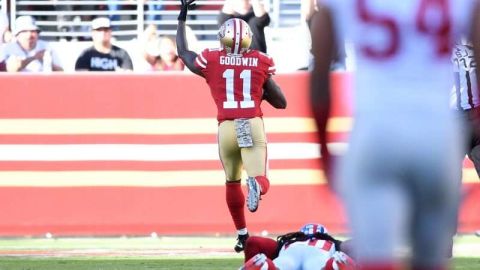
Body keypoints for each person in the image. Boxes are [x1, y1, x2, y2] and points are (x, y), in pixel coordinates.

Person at [310, 1, 479, 270]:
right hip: (436, 133)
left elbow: (319, 76)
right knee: (431, 258)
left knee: (376, 255)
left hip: (375, 132)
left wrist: (323, 151)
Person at [176, 0, 287, 253]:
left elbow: (184, 53)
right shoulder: (261, 61)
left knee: (231, 182)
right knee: (259, 178)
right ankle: (256, 185)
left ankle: (242, 234)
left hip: (226, 127)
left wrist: (182, 18)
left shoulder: (211, 59)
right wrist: (261, 89)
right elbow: (281, 103)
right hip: (251, 123)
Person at [239, 223, 356, 270]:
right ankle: (334, 265)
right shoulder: (332, 243)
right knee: (336, 263)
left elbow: (253, 242)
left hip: (290, 254)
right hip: (319, 254)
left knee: (274, 266)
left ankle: (263, 265)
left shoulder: (289, 241)